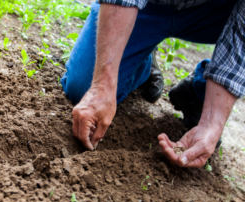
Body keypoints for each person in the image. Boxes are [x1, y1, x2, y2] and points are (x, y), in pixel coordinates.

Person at [60, 0, 243, 168]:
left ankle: (200, 91)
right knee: (83, 87)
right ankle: (142, 59)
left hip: (216, 11)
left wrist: (211, 124)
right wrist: (102, 86)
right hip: (149, 5)